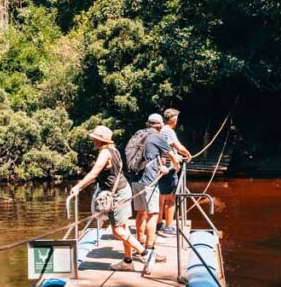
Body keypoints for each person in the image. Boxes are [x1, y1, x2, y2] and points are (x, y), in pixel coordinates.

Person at [69, 124, 149, 272]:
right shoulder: (114, 150)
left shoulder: (105, 153)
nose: (93, 141)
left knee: (117, 231)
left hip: (116, 194)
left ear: (101, 140)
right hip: (124, 189)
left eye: (95, 139)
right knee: (123, 227)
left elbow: (93, 174)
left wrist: (77, 187)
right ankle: (127, 261)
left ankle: (145, 254)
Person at [129, 113, 180, 274]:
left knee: (140, 213)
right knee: (153, 214)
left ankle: (139, 243)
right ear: (160, 124)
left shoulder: (139, 134)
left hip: (134, 179)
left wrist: (161, 163)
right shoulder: (157, 137)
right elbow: (173, 157)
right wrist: (174, 167)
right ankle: (150, 250)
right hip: (149, 181)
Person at [159, 108, 192, 235]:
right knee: (170, 199)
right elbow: (177, 146)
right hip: (168, 169)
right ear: (173, 119)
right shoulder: (169, 131)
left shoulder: (160, 130)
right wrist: (188, 154)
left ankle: (158, 223)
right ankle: (168, 227)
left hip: (160, 169)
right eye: (177, 118)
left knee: (160, 198)